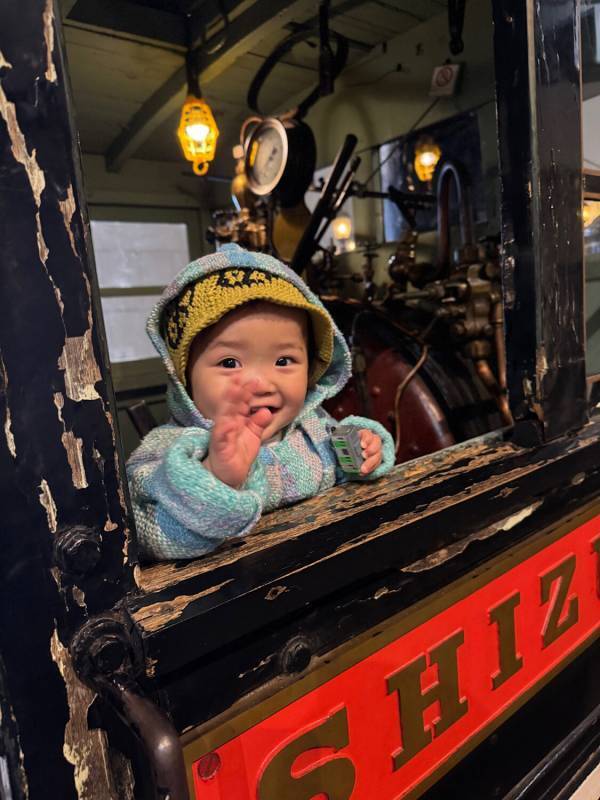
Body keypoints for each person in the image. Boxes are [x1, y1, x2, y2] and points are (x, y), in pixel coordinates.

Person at [127, 243, 395, 560]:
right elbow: (149, 536)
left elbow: (345, 471)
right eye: (229, 363)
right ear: (183, 377)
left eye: (283, 361)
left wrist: (364, 452)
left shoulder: (314, 427)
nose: (261, 384)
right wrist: (214, 480)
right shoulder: (165, 450)